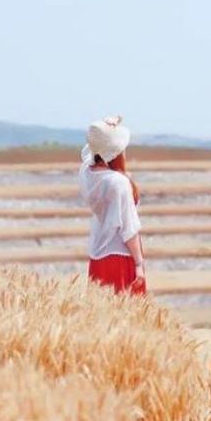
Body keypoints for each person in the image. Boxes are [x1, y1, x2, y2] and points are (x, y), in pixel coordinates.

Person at [78, 115, 146, 295]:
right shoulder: (118, 183)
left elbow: (90, 151)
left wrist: (106, 128)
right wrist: (139, 263)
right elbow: (129, 228)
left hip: (98, 257)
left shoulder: (87, 173)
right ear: (116, 153)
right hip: (121, 258)